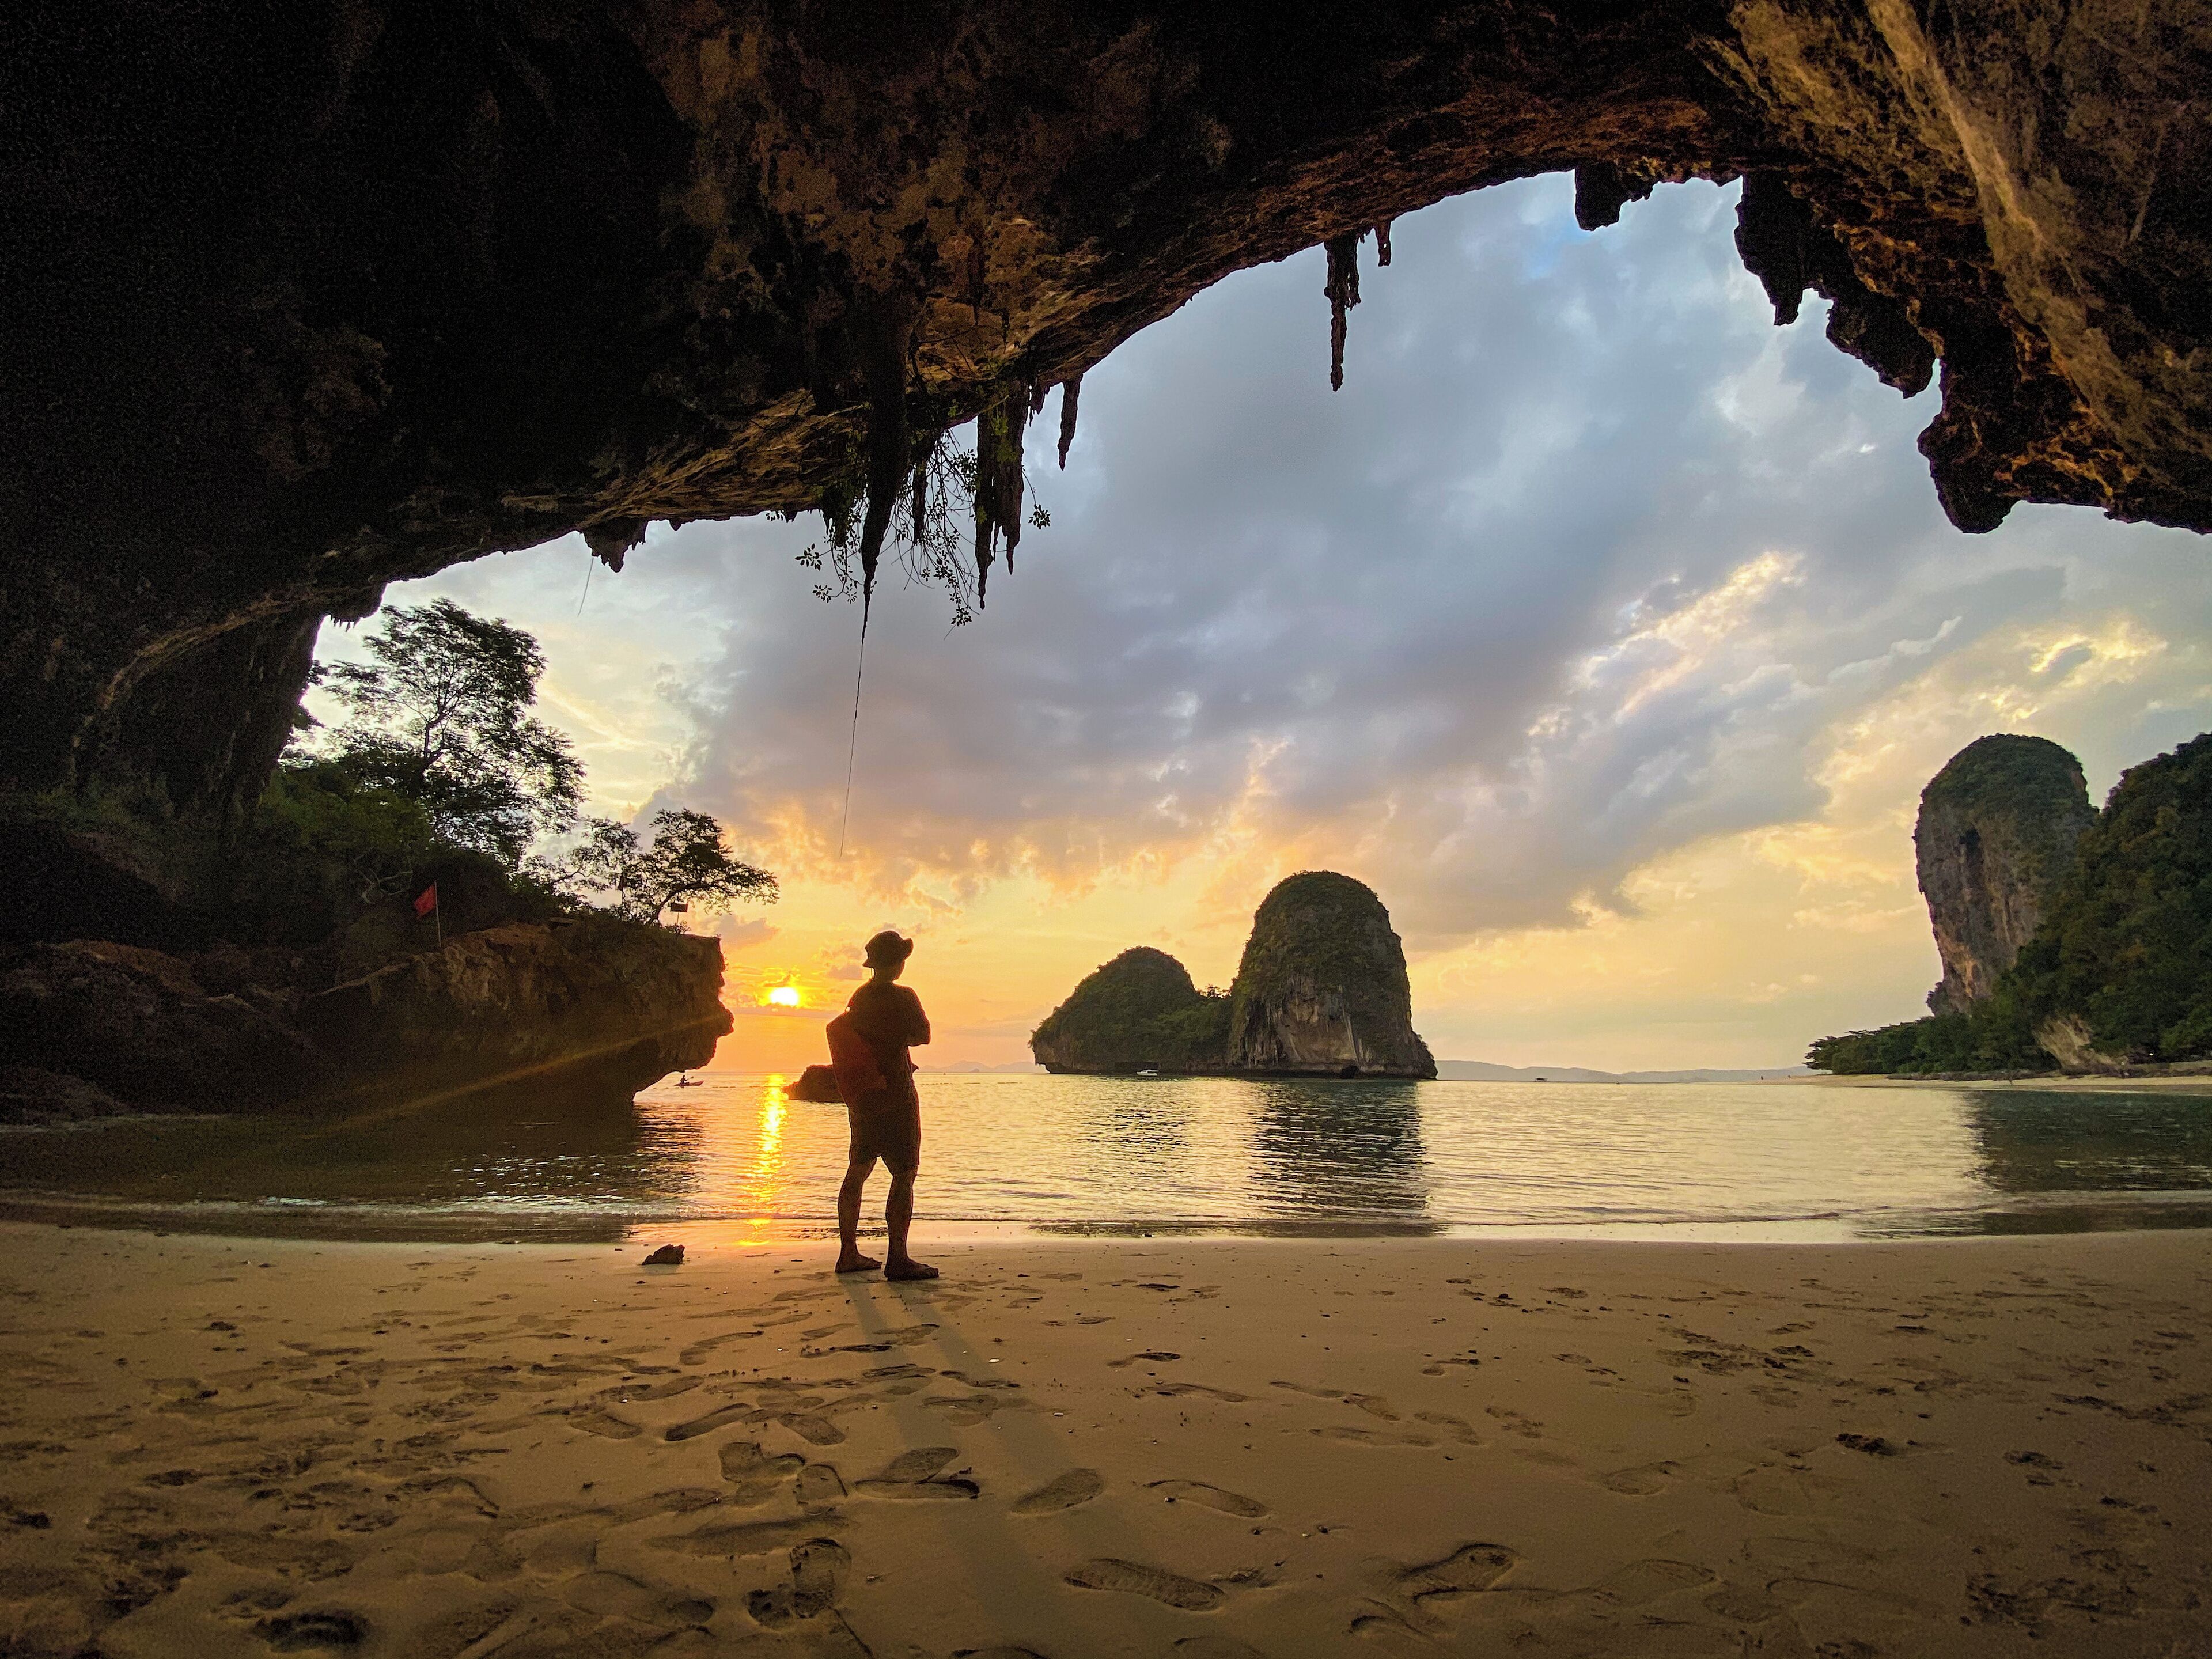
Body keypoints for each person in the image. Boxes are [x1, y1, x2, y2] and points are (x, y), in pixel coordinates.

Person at [824, 930, 937, 1280]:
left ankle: (848, 1254)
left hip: (864, 1098)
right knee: (904, 1174)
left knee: (857, 1171)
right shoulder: (904, 996)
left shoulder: (858, 999)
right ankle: (898, 1258)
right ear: (899, 963)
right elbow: (923, 1035)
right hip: (897, 1094)